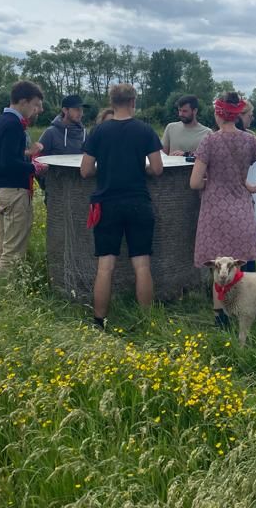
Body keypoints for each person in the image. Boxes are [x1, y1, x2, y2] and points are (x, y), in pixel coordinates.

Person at [190, 91, 256, 326]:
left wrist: (209, 182)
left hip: (215, 211)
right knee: (245, 262)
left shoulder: (209, 141)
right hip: (242, 209)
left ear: (218, 114)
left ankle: (221, 319)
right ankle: (249, 309)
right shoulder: (250, 140)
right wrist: (254, 187)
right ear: (236, 114)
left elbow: (194, 182)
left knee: (219, 265)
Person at [80, 84, 163, 330]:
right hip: (138, 202)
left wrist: (106, 169)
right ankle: (147, 320)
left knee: (105, 266)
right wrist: (140, 168)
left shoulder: (98, 131)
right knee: (142, 264)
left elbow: (85, 171)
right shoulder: (145, 130)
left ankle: (99, 321)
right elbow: (157, 169)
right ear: (133, 102)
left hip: (106, 204)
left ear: (112, 102)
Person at [0, 80, 47, 278]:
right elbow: (9, 162)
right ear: (23, 101)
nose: (38, 110)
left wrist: (28, 155)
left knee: (2, 247)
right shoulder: (13, 125)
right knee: (13, 251)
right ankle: (4, 292)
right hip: (14, 192)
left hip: (0, 189)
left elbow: (3, 158)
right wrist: (35, 167)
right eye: (35, 104)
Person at [236, 100, 256, 225]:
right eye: (250, 115)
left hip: (249, 198)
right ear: (239, 116)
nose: (252, 118)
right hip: (253, 197)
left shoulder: (250, 138)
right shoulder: (250, 139)